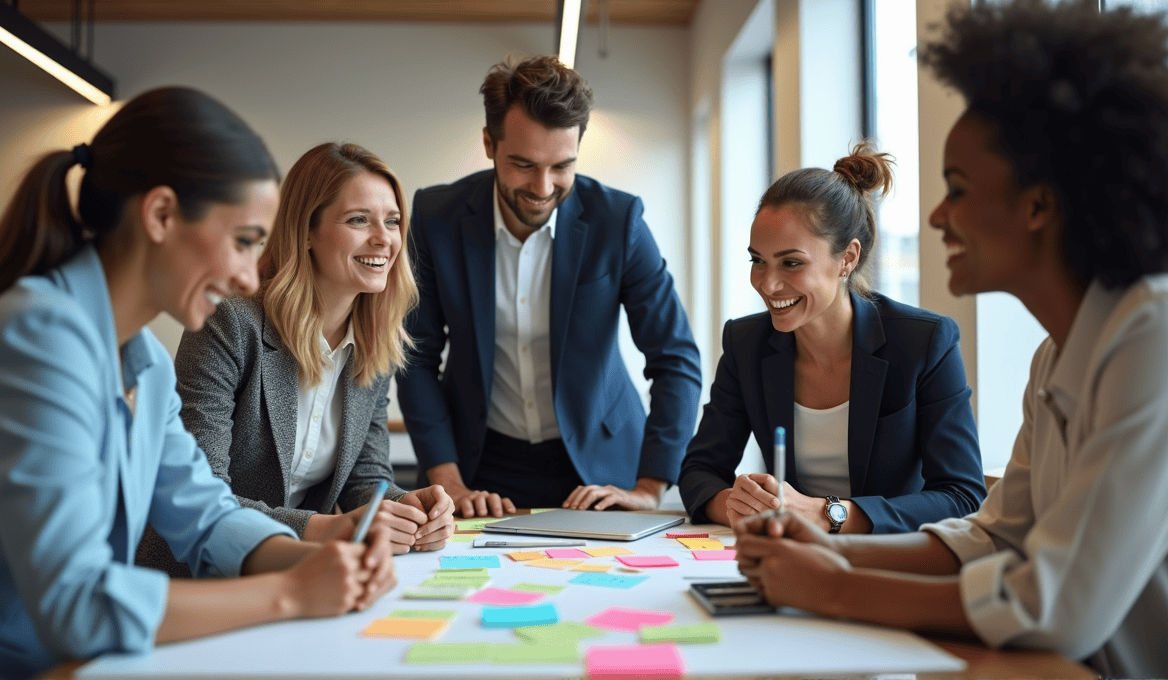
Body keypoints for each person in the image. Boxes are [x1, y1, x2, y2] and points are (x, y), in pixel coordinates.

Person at [734, 1, 1168, 676]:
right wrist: (828, 547)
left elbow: (1056, 603)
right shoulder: (1057, 352)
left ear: (1039, 205)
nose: (938, 215)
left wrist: (833, 585)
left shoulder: (1151, 339)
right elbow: (997, 535)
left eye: (959, 189)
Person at [0, 88, 396, 680]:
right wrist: (292, 592)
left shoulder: (140, 355)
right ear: (161, 215)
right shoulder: (37, 337)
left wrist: (321, 558)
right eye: (245, 241)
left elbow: (204, 513)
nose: (251, 275)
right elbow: (76, 603)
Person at [396, 55, 703, 517]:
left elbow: (675, 357)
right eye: (523, 164)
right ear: (488, 143)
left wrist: (650, 486)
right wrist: (448, 480)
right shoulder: (437, 216)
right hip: (477, 466)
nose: (543, 187)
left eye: (562, 166)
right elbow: (415, 354)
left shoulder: (618, 221)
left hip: (601, 467)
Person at [137, 143, 454, 576]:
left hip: (297, 572)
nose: (384, 238)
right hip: (195, 575)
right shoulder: (229, 323)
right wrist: (326, 528)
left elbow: (366, 480)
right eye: (358, 220)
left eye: (393, 221)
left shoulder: (373, 343)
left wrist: (407, 508)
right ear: (306, 231)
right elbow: (203, 494)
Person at [679, 144, 986, 533]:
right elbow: (699, 470)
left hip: (892, 559)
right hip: (794, 555)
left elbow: (962, 495)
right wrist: (733, 505)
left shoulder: (924, 343)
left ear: (847, 258)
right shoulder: (745, 343)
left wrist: (830, 514)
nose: (768, 284)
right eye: (758, 260)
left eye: (791, 263)